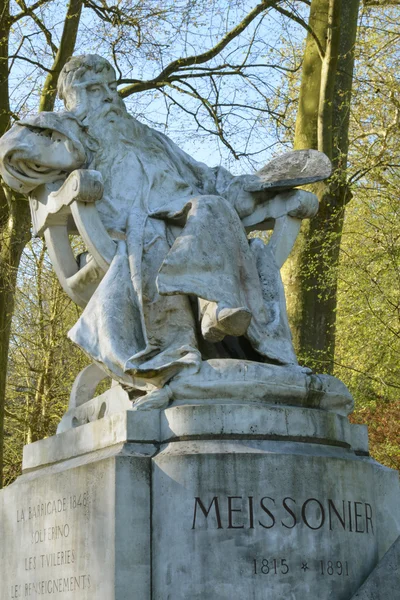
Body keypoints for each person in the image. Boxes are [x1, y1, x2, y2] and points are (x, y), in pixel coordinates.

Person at [0, 54, 300, 395]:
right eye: (96, 89)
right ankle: (210, 310)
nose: (110, 97)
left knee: (212, 206)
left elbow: (208, 177)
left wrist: (262, 190)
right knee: (197, 215)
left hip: (190, 216)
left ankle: (216, 309)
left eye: (112, 87)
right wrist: (63, 146)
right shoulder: (63, 127)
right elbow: (12, 153)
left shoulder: (147, 135)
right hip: (131, 229)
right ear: (73, 97)